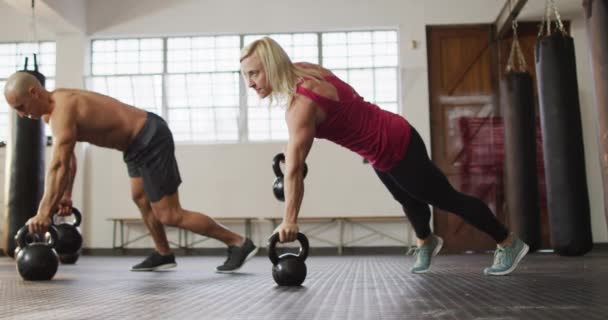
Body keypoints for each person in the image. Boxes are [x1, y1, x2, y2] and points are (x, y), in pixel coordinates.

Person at [240, 37, 529, 276]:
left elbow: (293, 169)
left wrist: (289, 220)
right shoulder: (304, 70)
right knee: (406, 197)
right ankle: (426, 241)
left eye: (254, 73)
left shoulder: (300, 107)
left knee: (446, 198)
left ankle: (507, 241)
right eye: (245, 75)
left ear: (272, 65)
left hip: (396, 145)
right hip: (382, 146)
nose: (250, 83)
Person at [3, 71, 258, 273]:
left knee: (169, 213)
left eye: (21, 107)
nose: (23, 115)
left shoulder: (63, 109)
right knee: (140, 197)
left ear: (34, 92)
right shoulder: (53, 113)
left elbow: (57, 164)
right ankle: (163, 253)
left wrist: (44, 212)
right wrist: (66, 195)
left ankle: (238, 243)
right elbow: (67, 159)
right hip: (134, 145)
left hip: (149, 137)